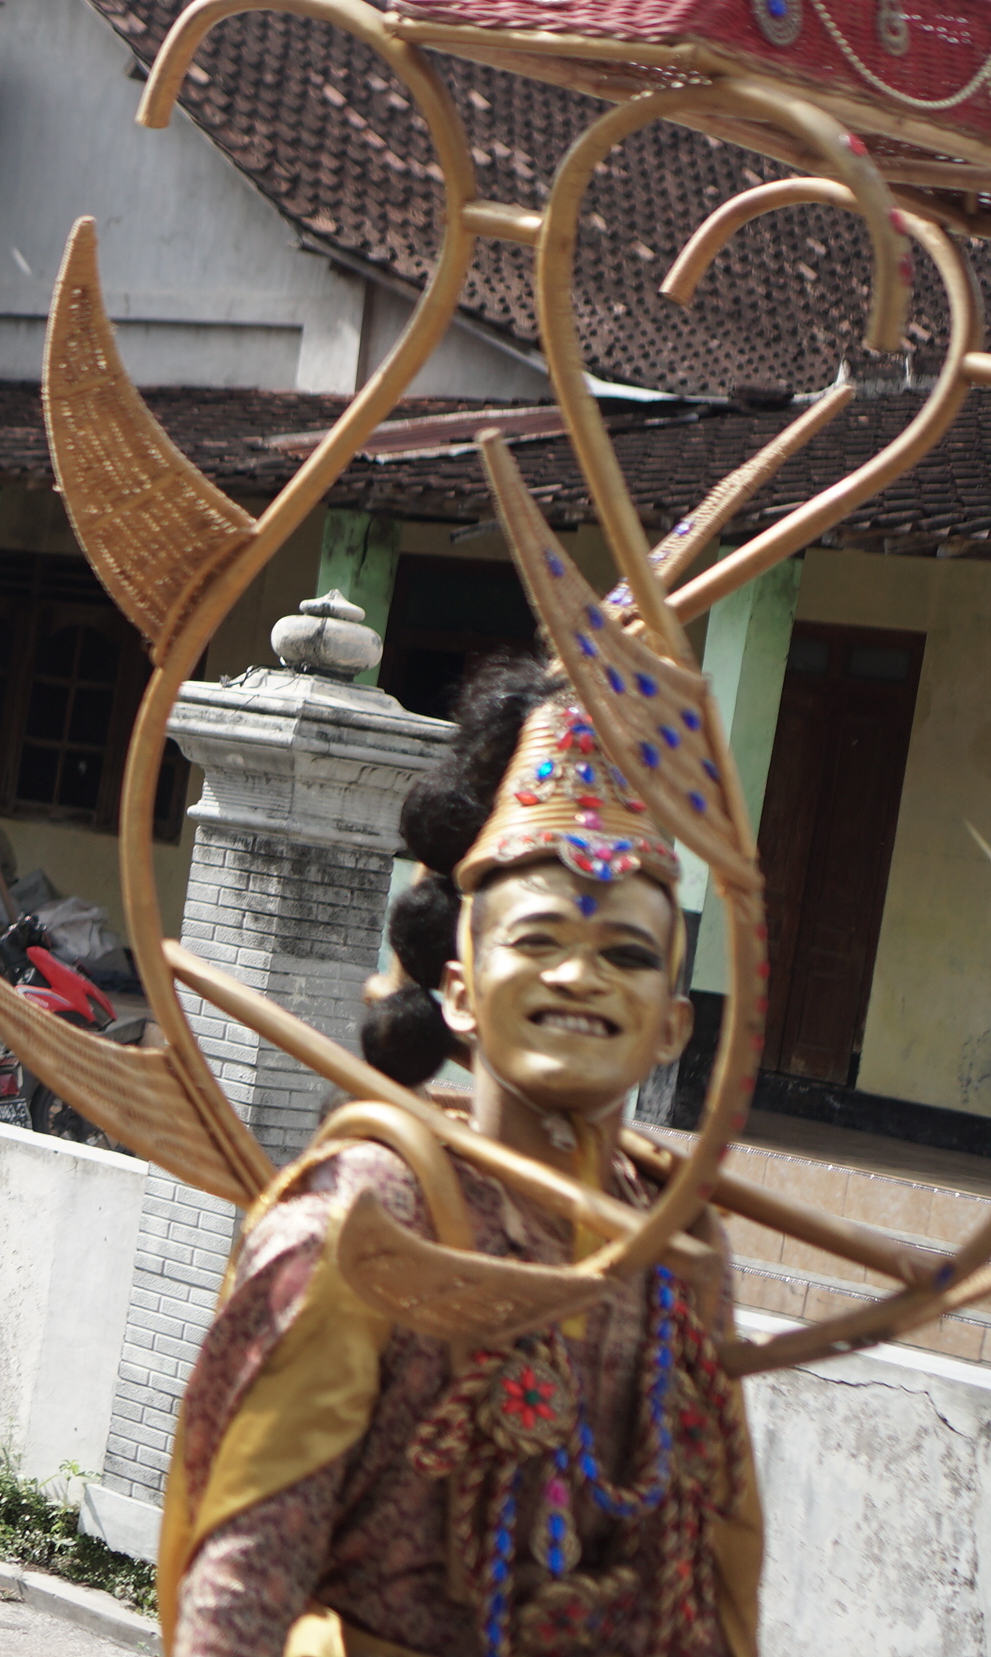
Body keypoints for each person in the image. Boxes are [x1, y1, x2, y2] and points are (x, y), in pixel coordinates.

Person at [164, 661, 758, 1656]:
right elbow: (244, 1571)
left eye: (624, 953)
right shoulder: (369, 1209)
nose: (579, 975)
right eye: (537, 939)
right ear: (458, 989)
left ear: (672, 1026)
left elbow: (709, 1579)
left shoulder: (675, 1242)